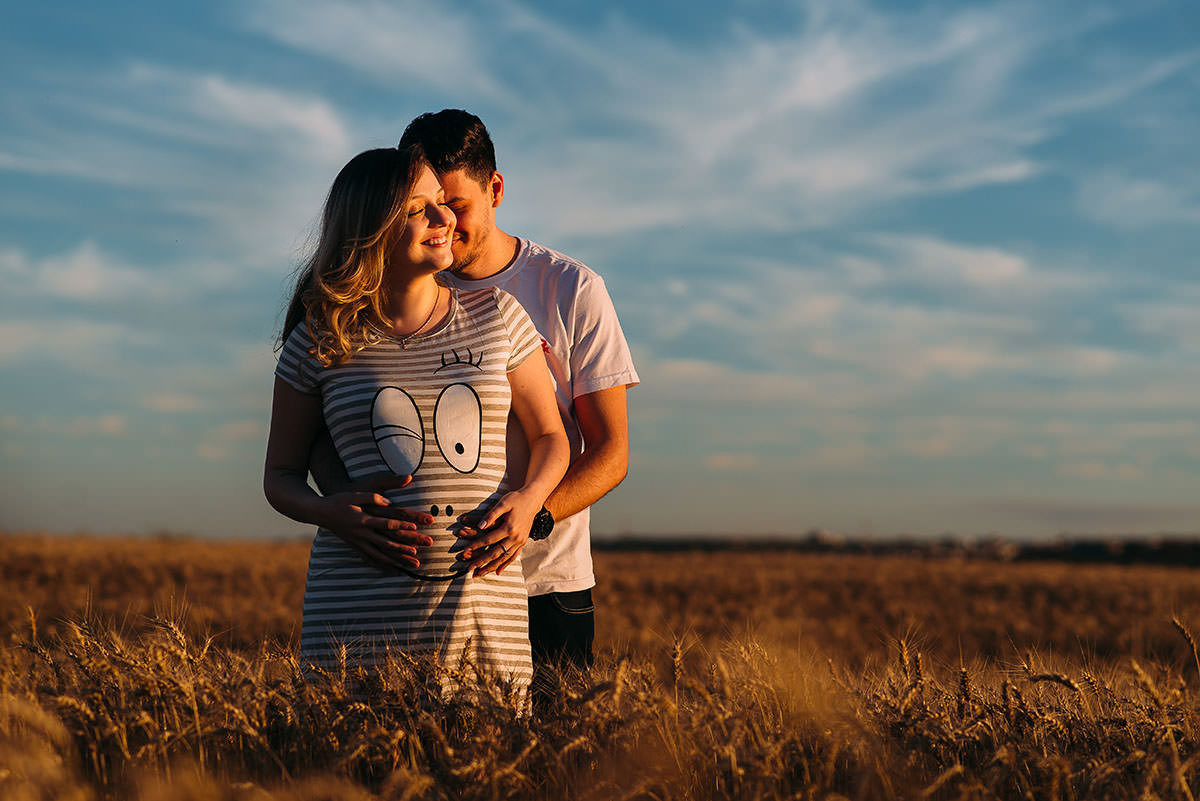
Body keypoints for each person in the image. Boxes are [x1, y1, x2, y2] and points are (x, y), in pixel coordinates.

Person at [311, 110, 640, 680]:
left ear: (497, 189)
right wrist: (360, 515)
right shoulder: (393, 286)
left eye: (457, 205)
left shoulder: (569, 288)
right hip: (414, 590)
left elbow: (611, 453)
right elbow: (317, 425)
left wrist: (531, 516)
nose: (444, 223)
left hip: (546, 583)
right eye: (424, 203)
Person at [264, 145, 568, 690]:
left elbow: (551, 436)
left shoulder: (498, 316)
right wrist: (331, 512)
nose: (443, 217)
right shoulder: (320, 339)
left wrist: (530, 502)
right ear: (369, 232)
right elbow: (280, 476)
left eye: (442, 202)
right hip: (356, 609)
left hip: (480, 606)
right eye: (417, 209)